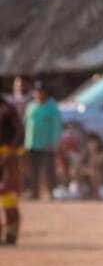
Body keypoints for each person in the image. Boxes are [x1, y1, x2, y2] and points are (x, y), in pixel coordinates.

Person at [23, 81, 62, 200]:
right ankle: (34, 192)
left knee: (48, 169)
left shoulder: (52, 106)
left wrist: (54, 142)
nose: (39, 94)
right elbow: (25, 123)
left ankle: (50, 192)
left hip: (47, 144)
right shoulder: (31, 106)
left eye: (41, 91)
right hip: (31, 143)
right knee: (32, 169)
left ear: (45, 93)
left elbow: (57, 126)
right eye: (37, 91)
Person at [0, 93, 23, 244]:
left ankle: (11, 235)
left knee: (8, 195)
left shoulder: (7, 108)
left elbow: (19, 130)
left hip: (7, 155)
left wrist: (11, 152)